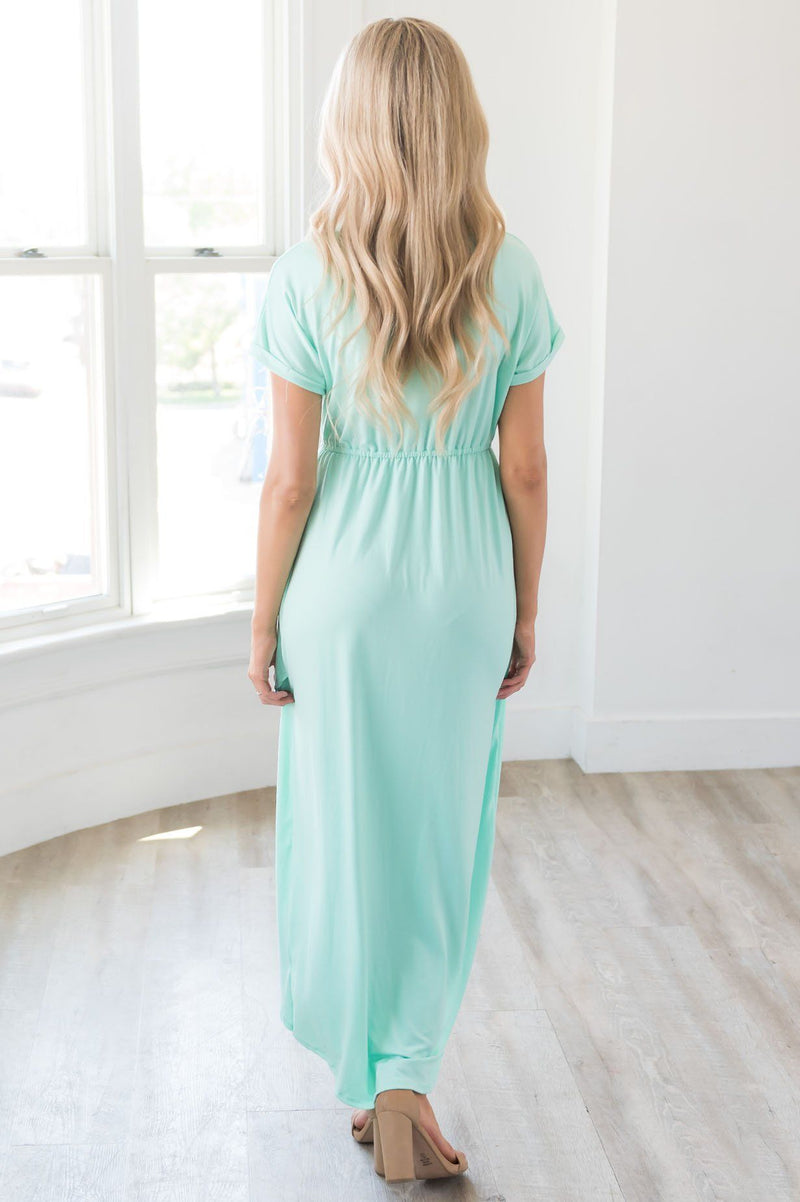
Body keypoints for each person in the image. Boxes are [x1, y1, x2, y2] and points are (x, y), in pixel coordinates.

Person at [247, 16, 564, 1184]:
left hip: (338, 588)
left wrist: (262, 620)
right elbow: (523, 468)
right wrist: (523, 607)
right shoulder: (509, 270)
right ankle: (403, 1074)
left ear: (347, 126)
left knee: (343, 829)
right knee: (436, 835)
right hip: (461, 582)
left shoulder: (304, 273)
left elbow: (290, 480)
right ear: (459, 124)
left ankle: (369, 1065)